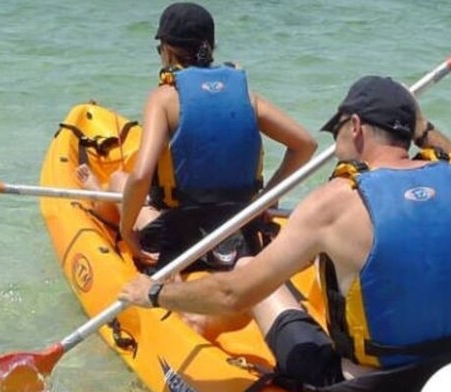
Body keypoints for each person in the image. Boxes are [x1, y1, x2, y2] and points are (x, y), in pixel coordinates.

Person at [119, 75, 451, 392]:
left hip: (363, 389)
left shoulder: (335, 202)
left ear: (355, 126)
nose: (334, 141)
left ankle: (203, 323)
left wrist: (153, 292)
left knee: (248, 266)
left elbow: (231, 293)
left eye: (337, 129)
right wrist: (423, 129)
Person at [77, 2, 316, 271]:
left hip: (181, 241)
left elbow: (141, 176)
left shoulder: (164, 98)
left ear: (167, 51)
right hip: (241, 234)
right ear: (211, 48)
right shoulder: (245, 96)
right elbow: (305, 145)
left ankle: (100, 199)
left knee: (121, 180)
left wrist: (127, 230)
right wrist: (266, 200)